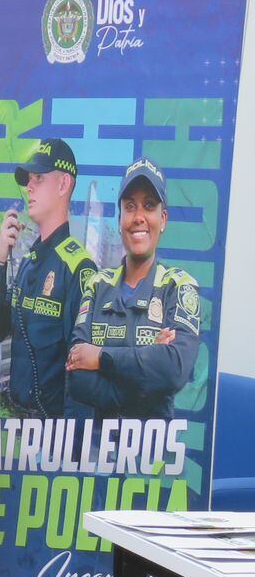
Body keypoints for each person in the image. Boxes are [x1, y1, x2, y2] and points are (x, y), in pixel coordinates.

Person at [67, 158, 201, 419]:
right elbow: (77, 377)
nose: (139, 217)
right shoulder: (97, 285)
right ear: (120, 219)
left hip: (151, 456)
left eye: (149, 206)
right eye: (130, 206)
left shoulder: (178, 287)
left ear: (162, 219)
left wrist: (101, 357)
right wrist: (148, 372)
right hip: (95, 454)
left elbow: (173, 371)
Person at [0, 139, 98, 418]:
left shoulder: (79, 269)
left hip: (52, 434)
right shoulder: (28, 262)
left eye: (38, 178)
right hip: (18, 426)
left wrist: (69, 447)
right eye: (28, 180)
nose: (29, 187)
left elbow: (81, 371)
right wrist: (1, 261)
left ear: (63, 185)